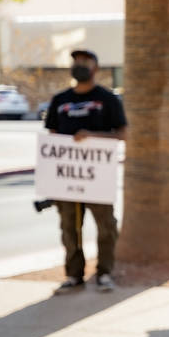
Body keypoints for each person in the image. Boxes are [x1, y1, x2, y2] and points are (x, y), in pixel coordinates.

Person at [44, 48, 127, 293]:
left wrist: (92, 137)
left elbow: (123, 134)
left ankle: (104, 273)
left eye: (85, 61)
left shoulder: (108, 99)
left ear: (95, 68)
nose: (79, 65)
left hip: (97, 177)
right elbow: (52, 137)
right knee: (69, 227)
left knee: (106, 227)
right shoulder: (60, 101)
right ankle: (73, 275)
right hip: (67, 179)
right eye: (76, 61)